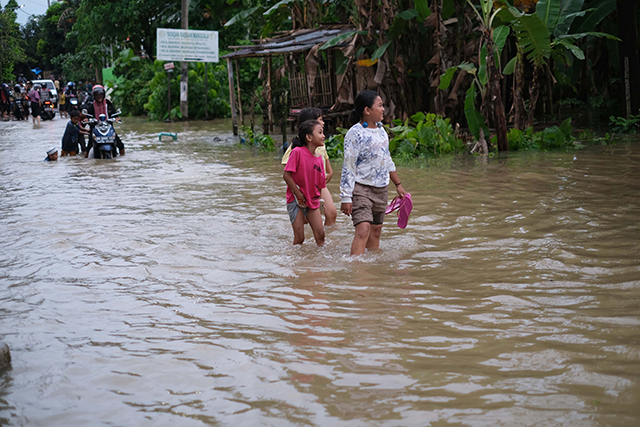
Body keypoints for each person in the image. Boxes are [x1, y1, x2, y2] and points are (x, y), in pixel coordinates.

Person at [339, 90, 407, 256]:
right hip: (361, 189)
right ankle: (356, 268)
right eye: (380, 105)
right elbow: (349, 166)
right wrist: (346, 197)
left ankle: (373, 271)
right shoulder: (354, 134)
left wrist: (398, 184)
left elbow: (387, 159)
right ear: (367, 110)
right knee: (363, 229)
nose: (383, 109)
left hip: (381, 188)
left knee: (375, 232)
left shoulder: (382, 131)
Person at [281, 107, 337, 226]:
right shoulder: (296, 148)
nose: (323, 122)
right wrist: (297, 192)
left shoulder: (320, 144)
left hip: (319, 185)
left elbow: (325, 160)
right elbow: (288, 172)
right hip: (304, 186)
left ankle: (326, 238)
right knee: (306, 219)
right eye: (320, 120)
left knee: (331, 213)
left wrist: (330, 173)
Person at [283, 120, 326, 246]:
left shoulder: (319, 159)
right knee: (300, 238)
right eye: (320, 132)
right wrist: (298, 194)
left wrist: (322, 203)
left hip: (312, 201)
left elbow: (321, 185)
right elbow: (286, 175)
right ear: (309, 137)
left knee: (321, 236)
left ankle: (322, 262)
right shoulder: (297, 152)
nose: (323, 136)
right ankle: (297, 263)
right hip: (295, 200)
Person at [84, 85, 125, 157]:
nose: (99, 97)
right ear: (94, 96)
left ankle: (123, 157)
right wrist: (87, 119)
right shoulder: (91, 105)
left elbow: (113, 112)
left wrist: (116, 118)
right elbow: (89, 115)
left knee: (120, 144)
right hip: (96, 127)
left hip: (108, 126)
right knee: (89, 144)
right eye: (97, 95)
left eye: (100, 95)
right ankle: (85, 159)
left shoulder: (108, 103)